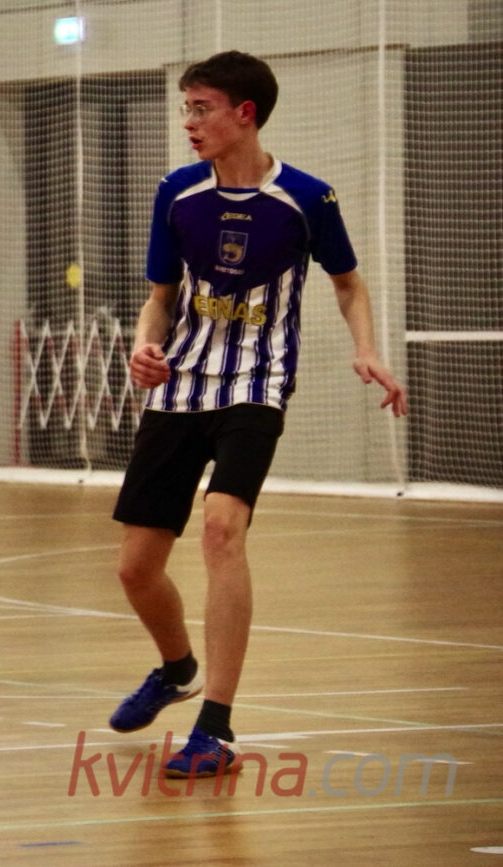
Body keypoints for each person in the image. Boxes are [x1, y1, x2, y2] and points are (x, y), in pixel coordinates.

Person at [107, 50, 408, 778]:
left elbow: (348, 283)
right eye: (185, 108)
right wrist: (144, 348)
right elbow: (160, 298)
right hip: (179, 388)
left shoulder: (307, 198)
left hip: (256, 385)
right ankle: (177, 668)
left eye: (201, 108)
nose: (188, 122)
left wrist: (366, 349)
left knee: (221, 529)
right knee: (136, 570)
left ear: (244, 114)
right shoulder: (176, 192)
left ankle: (215, 729)